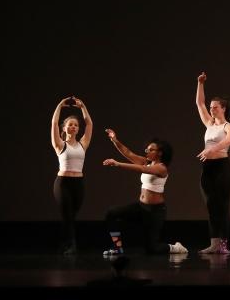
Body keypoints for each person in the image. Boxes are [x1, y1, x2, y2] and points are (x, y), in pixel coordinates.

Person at [102, 129, 188, 256]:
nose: (146, 151)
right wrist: (115, 140)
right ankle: (117, 247)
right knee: (112, 213)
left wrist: (117, 164)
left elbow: (142, 169)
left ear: (160, 153)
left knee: (152, 249)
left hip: (155, 211)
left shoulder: (162, 168)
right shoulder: (147, 162)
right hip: (141, 207)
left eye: (150, 150)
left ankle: (175, 248)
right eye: (147, 149)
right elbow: (128, 153)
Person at [195, 72, 230, 254]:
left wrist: (212, 149)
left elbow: (229, 141)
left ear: (224, 108)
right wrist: (200, 83)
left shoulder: (228, 126)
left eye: (215, 107)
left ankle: (224, 245)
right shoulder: (209, 124)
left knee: (223, 206)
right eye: (211, 107)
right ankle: (214, 244)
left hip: (222, 169)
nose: (212, 110)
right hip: (207, 169)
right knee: (211, 207)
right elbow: (199, 103)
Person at [50, 96, 93, 254]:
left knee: (71, 216)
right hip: (63, 184)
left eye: (76, 125)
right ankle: (72, 246)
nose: (74, 126)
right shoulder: (60, 144)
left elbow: (89, 123)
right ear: (65, 128)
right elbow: (54, 123)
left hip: (78, 183)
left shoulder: (83, 144)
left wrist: (83, 106)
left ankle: (64, 243)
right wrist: (60, 105)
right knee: (68, 214)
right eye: (70, 124)